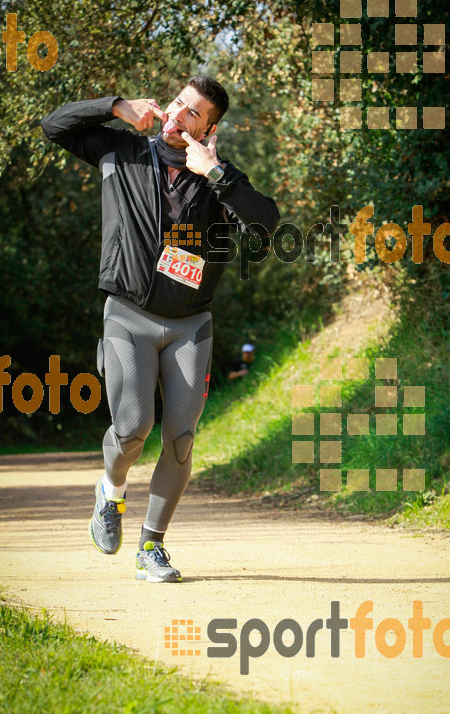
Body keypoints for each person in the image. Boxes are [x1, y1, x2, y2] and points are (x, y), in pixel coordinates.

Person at [41, 77, 280, 583]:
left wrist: (215, 174)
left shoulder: (219, 179)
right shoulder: (121, 152)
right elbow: (54, 126)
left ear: (209, 128)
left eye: (194, 113)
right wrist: (114, 107)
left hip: (191, 325)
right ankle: (110, 492)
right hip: (127, 315)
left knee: (181, 439)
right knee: (131, 428)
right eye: (177, 103)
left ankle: (152, 546)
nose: (179, 114)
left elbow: (265, 226)